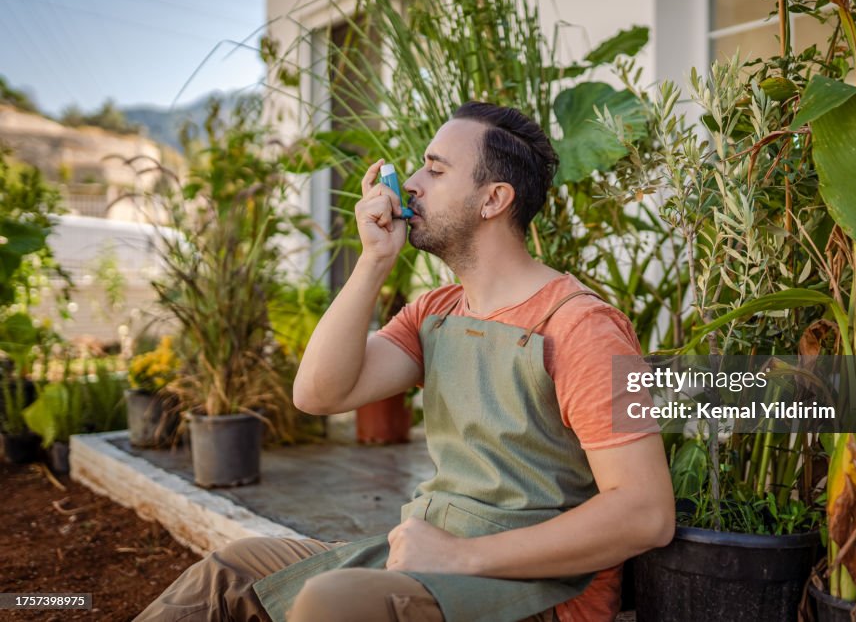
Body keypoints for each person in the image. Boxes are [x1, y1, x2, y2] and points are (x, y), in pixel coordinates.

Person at [134, 101, 674, 622]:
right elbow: (319, 394)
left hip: (532, 592)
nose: (411, 183)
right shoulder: (436, 312)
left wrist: (461, 557)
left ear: (493, 199)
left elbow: (646, 513)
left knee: (333, 601)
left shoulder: (584, 328)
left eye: (435, 170)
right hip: (429, 556)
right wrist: (373, 261)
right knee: (229, 572)